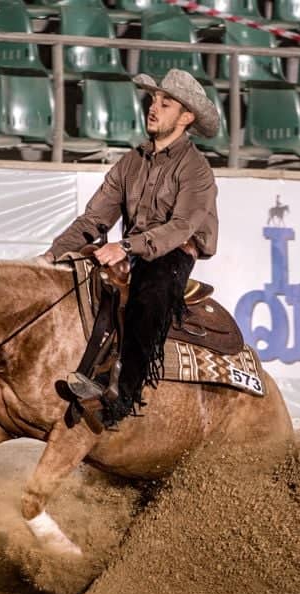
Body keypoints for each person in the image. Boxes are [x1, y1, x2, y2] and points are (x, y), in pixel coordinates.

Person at [43, 69, 221, 426]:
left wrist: (126, 246)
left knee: (151, 294)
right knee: (65, 279)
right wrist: (52, 256)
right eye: (153, 100)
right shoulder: (132, 162)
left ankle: (123, 396)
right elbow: (94, 219)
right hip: (131, 250)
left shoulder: (196, 169)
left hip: (173, 253)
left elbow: (181, 227)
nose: (153, 107)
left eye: (165, 103)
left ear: (186, 117)